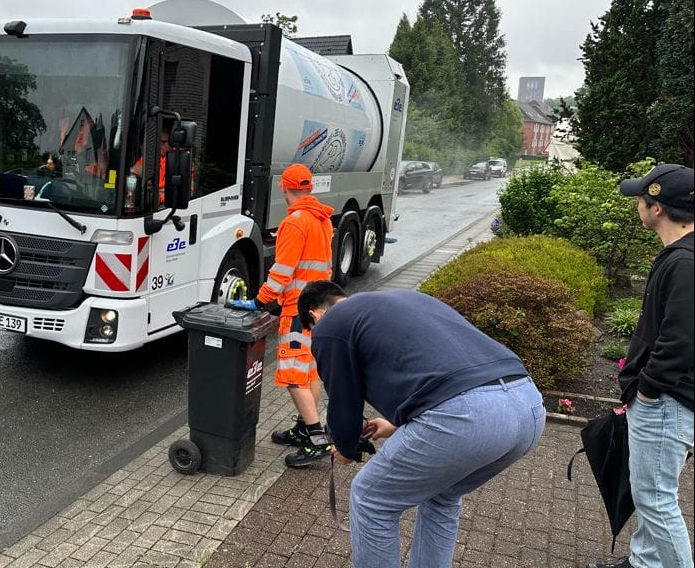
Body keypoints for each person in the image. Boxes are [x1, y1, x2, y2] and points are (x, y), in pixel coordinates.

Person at [296, 280, 545, 568]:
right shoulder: (398, 301)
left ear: (314, 315)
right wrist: (395, 424)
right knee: (443, 495)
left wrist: (345, 444)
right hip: (527, 405)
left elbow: (343, 397)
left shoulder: (329, 326)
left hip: (464, 418)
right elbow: (435, 368)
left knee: (370, 497)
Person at [587, 164, 694, 568]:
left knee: (655, 498)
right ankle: (644, 563)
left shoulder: (684, 263)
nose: (637, 204)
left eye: (640, 198)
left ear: (658, 207)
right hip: (668, 398)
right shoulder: (683, 256)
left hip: (665, 401)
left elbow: (681, 340)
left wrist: (647, 391)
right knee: (650, 491)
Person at [229, 163, 335, 467]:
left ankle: (317, 440)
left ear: (284, 188)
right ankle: (304, 429)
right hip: (319, 307)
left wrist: (260, 301)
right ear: (310, 188)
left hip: (298, 311)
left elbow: (283, 272)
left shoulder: (295, 222)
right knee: (310, 371)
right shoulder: (322, 219)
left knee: (293, 376)